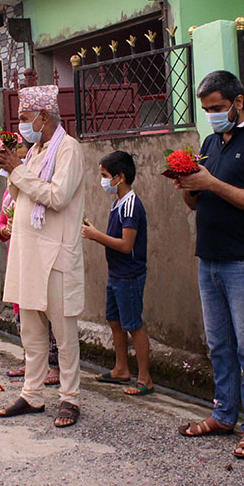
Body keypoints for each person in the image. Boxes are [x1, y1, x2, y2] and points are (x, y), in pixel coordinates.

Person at [173, 70, 244, 459]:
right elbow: (200, 202)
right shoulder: (211, 142)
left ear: (238, 102)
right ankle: (223, 413)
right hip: (210, 257)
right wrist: (189, 187)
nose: (212, 116)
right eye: (206, 110)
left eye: (217, 108)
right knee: (219, 344)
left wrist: (211, 183)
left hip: (243, 260)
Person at [0, 85, 85, 428]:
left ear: (44, 117)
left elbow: (57, 197)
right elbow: (19, 194)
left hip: (57, 253)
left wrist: (17, 169)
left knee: (63, 331)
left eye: (25, 118)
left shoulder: (68, 149)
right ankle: (32, 394)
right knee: (31, 331)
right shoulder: (34, 152)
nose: (21, 125)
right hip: (29, 252)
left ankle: (70, 398)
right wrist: (10, 166)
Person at [82, 150, 153, 396]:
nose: (102, 180)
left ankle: (145, 378)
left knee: (134, 325)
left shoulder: (131, 205)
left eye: (105, 175)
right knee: (114, 320)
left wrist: (96, 235)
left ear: (119, 177)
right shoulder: (117, 203)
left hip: (129, 274)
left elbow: (126, 245)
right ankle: (121, 368)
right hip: (116, 273)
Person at [0, 142, 61, 386]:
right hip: (18, 258)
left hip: (40, 257)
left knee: (48, 314)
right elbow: (0, 225)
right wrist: (6, 229)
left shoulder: (42, 187)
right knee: (23, 317)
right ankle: (31, 362)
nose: (19, 164)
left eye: (24, 159)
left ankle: (54, 365)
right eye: (16, 159)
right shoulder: (9, 191)